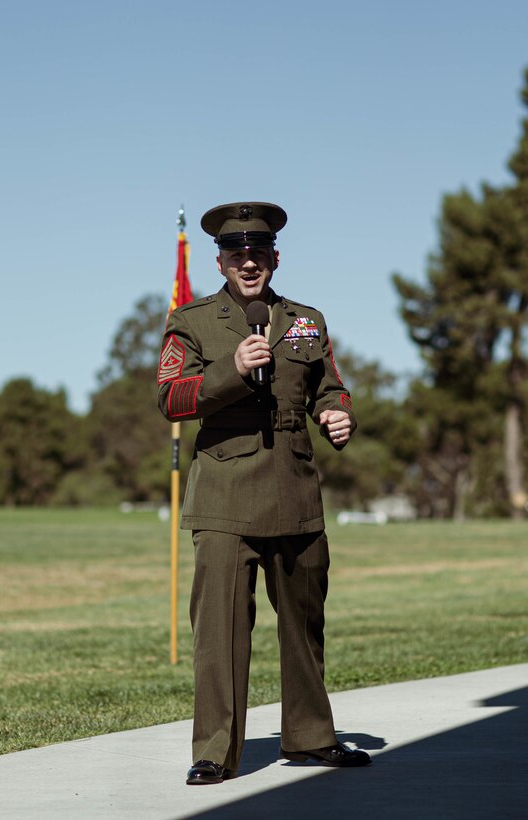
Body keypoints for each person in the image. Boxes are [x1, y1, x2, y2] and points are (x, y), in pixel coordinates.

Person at [157, 201, 371, 785]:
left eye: (258, 254)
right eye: (236, 255)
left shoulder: (306, 320)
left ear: (275, 257)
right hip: (224, 495)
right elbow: (172, 400)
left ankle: (310, 738)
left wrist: (336, 416)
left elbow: (330, 387)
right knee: (221, 632)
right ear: (221, 261)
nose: (248, 264)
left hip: (295, 490)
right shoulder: (192, 321)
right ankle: (215, 752)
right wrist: (229, 367)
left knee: (303, 624)